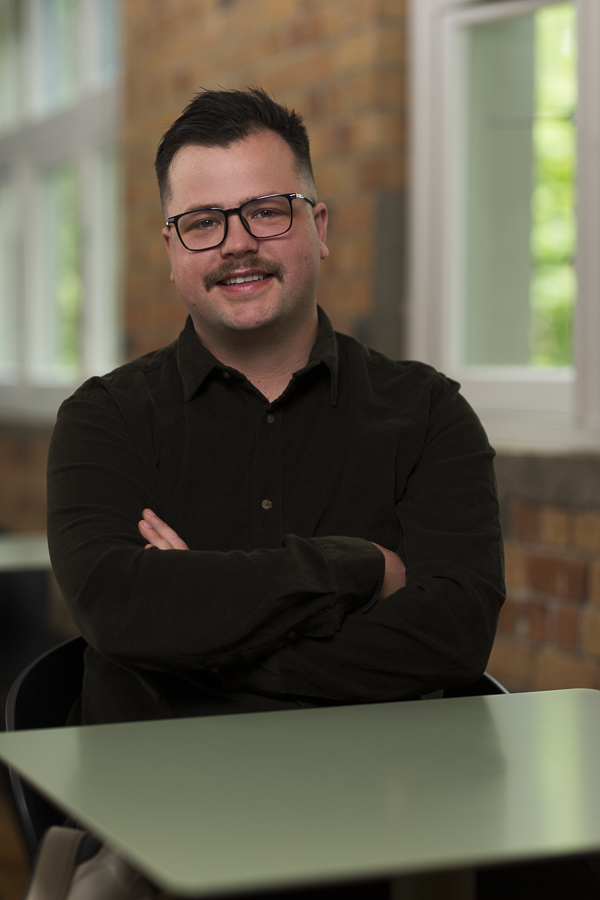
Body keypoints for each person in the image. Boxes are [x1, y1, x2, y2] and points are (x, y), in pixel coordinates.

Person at [47, 87, 504, 727]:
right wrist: (360, 566)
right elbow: (118, 608)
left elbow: (454, 634)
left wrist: (200, 649)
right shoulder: (104, 420)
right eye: (203, 222)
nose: (237, 243)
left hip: (380, 800)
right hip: (152, 803)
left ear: (318, 229)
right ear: (172, 254)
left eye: (266, 211)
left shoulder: (430, 414)